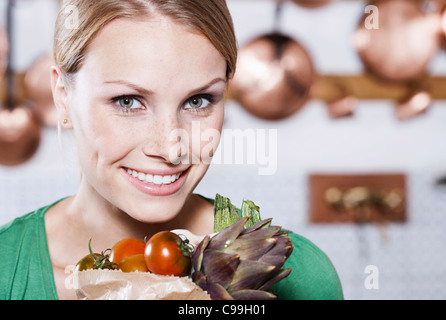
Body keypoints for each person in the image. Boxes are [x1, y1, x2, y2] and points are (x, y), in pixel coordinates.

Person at [0, 0, 343, 300]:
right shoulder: (6, 273)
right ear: (62, 96)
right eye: (128, 101)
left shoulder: (301, 278)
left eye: (198, 101)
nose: (170, 147)